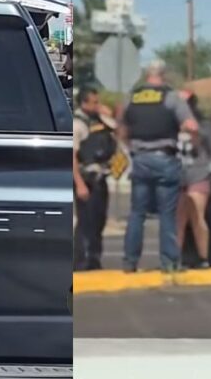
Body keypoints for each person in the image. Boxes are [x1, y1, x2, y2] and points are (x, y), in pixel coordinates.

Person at [119, 60, 199, 273]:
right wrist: (193, 139)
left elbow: (122, 128)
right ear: (164, 75)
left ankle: (130, 262)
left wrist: (131, 150)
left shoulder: (132, 97)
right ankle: (169, 263)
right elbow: (192, 126)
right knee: (167, 214)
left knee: (137, 213)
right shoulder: (172, 97)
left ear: (147, 75)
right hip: (165, 158)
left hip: (140, 159)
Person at [73, 86, 117, 271]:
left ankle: (94, 260)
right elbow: (71, 157)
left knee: (99, 221)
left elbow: (118, 130)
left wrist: (110, 115)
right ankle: (80, 261)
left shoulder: (98, 120)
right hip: (86, 179)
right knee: (86, 222)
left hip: (100, 178)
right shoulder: (77, 124)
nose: (98, 105)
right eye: (94, 102)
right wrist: (80, 184)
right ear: (84, 103)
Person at [177, 91, 211, 269]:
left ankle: (203, 257)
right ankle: (175, 257)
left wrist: (196, 135)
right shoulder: (169, 125)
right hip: (176, 176)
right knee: (178, 219)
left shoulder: (204, 125)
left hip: (198, 174)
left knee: (197, 217)